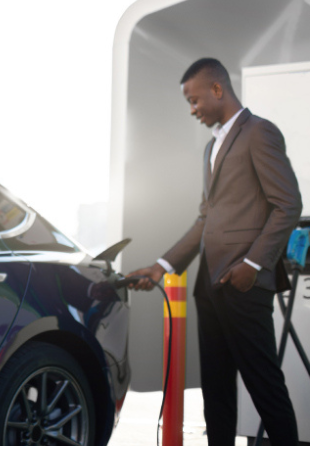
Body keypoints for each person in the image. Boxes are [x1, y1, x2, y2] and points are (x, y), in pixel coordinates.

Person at [128, 58, 300, 445]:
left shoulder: (259, 133)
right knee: (216, 389)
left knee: (264, 386)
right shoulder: (211, 147)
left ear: (218, 90)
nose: (192, 110)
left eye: (194, 100)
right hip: (209, 286)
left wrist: (253, 265)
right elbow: (205, 219)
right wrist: (162, 266)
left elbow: (288, 204)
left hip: (243, 284)